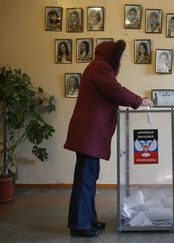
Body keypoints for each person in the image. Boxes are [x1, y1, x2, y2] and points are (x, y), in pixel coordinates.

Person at [64, 40, 153, 238]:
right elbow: (115, 90)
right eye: (120, 56)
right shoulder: (100, 67)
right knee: (86, 178)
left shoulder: (97, 67)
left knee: (88, 177)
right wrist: (140, 101)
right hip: (89, 132)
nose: (121, 59)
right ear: (111, 55)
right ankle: (80, 225)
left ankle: (88, 219)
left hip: (89, 133)